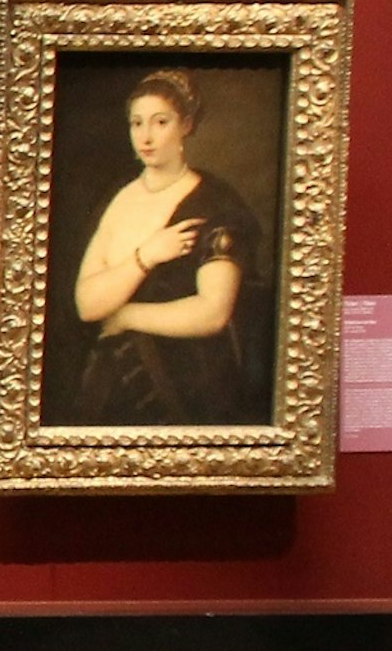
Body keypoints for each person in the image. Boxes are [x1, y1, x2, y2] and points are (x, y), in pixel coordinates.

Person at [61, 68, 263, 425]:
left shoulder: (215, 204)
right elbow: (87, 304)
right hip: (112, 383)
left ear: (185, 125)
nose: (146, 137)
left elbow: (213, 312)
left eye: (160, 122)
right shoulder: (120, 199)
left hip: (188, 384)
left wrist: (125, 315)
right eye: (137, 124)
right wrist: (146, 256)